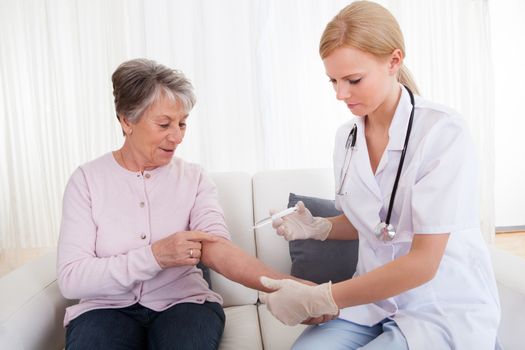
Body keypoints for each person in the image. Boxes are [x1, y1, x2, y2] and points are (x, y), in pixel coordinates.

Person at [260, 2, 500, 349]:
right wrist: (320, 227)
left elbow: (423, 262)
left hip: (437, 304)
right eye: (333, 81)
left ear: (393, 61)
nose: (341, 94)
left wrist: (322, 297)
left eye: (353, 80)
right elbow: (375, 222)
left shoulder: (442, 133)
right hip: (371, 303)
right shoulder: (348, 137)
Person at [57, 58, 296, 350]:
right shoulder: (87, 180)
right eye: (164, 124)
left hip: (185, 303)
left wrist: (289, 286)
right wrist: (155, 256)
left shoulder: (193, 178)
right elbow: (71, 279)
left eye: (182, 123)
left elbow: (217, 248)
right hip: (103, 308)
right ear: (126, 120)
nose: (177, 136)